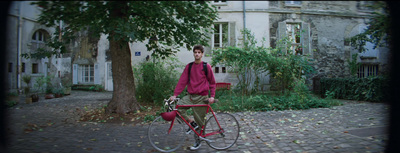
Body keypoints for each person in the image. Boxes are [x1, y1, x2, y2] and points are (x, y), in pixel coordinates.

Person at [169, 45, 216, 150]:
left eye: (199, 52)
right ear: (193, 53)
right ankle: (192, 123)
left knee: (200, 121)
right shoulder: (189, 66)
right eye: (195, 52)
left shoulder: (206, 66)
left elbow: (212, 82)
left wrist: (212, 96)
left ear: (202, 54)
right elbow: (182, 81)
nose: (197, 54)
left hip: (202, 97)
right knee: (178, 108)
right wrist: (175, 94)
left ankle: (198, 142)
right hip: (190, 96)